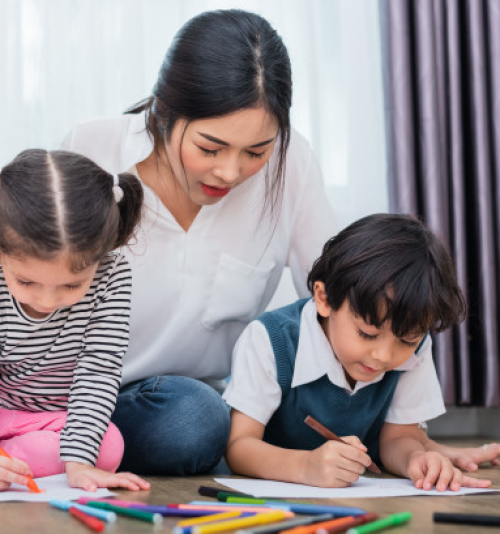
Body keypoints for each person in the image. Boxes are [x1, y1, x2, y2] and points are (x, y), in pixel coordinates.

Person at [60, 9, 336, 475]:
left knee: (197, 420)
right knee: (200, 424)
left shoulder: (292, 165)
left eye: (256, 152)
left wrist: (408, 439)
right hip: (69, 392)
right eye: (209, 148)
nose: (230, 172)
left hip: (180, 404)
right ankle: (58, 439)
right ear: (162, 111)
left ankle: (72, 448)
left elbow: (344, 292)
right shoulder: (92, 148)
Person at [224, 213, 500, 491]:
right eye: (367, 333)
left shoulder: (417, 345)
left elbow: (398, 438)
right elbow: (239, 447)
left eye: (406, 341)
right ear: (324, 298)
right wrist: (306, 466)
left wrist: (415, 459)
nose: (383, 356)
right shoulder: (269, 340)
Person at [0, 149, 150, 493]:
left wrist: (80, 464)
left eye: (71, 285)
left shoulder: (113, 275)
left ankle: (14, 465)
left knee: (108, 445)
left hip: (56, 420)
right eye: (26, 282)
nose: (47, 301)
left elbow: (99, 370)